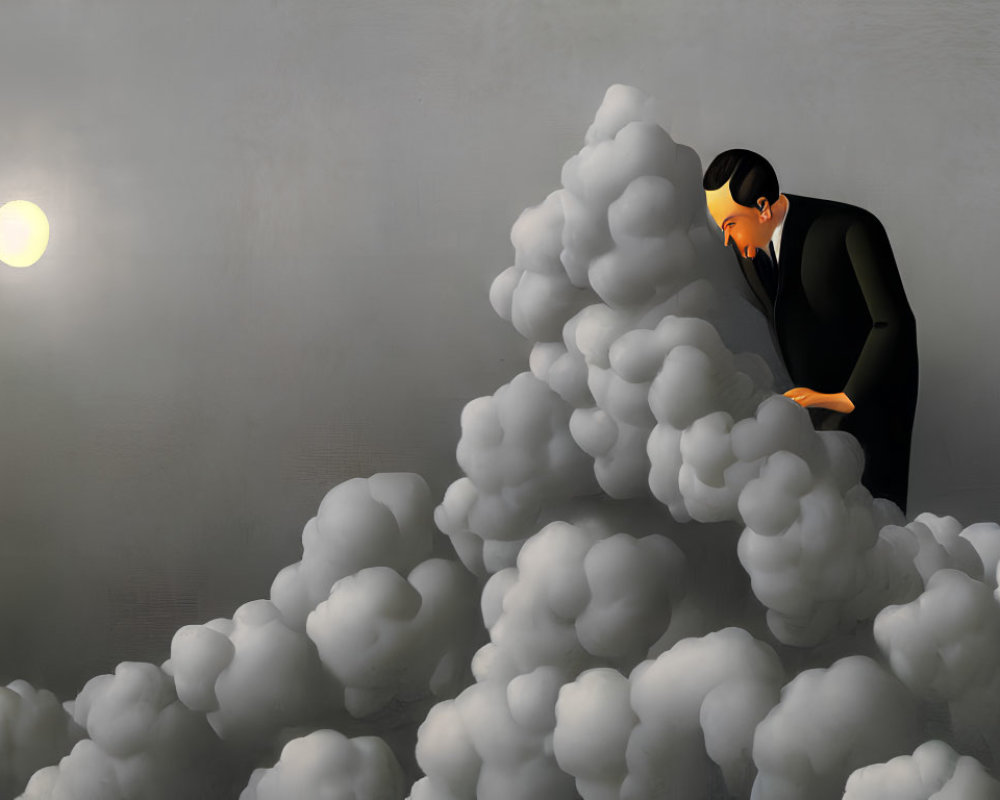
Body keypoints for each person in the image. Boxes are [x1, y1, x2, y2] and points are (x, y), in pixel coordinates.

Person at [702, 149, 918, 512]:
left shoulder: (852, 229)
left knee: (878, 522)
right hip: (810, 410)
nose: (727, 239)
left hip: (871, 403)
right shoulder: (747, 246)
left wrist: (843, 399)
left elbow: (893, 324)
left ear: (764, 208)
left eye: (731, 224)